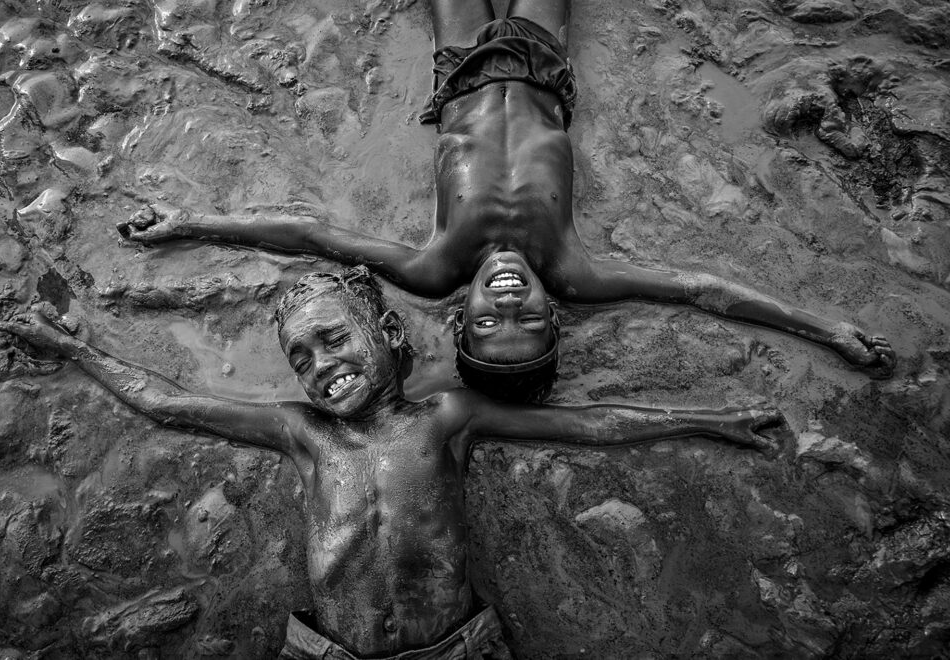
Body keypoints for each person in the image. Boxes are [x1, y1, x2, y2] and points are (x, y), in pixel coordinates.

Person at [117, 0, 893, 403]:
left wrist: (192, 223)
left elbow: (314, 235)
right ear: (556, 316)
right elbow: (698, 290)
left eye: (489, 324)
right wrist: (824, 328)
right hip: (543, 68)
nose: (511, 302)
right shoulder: (572, 269)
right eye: (529, 321)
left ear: (461, 318)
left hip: (462, 72)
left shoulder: (436, 266)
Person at [0, 267, 784, 660]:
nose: (320, 365)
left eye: (333, 339)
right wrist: (71, 349)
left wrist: (710, 419)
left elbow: (587, 424)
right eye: (301, 357)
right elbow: (168, 403)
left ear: (388, 332)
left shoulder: (447, 418)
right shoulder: (302, 432)